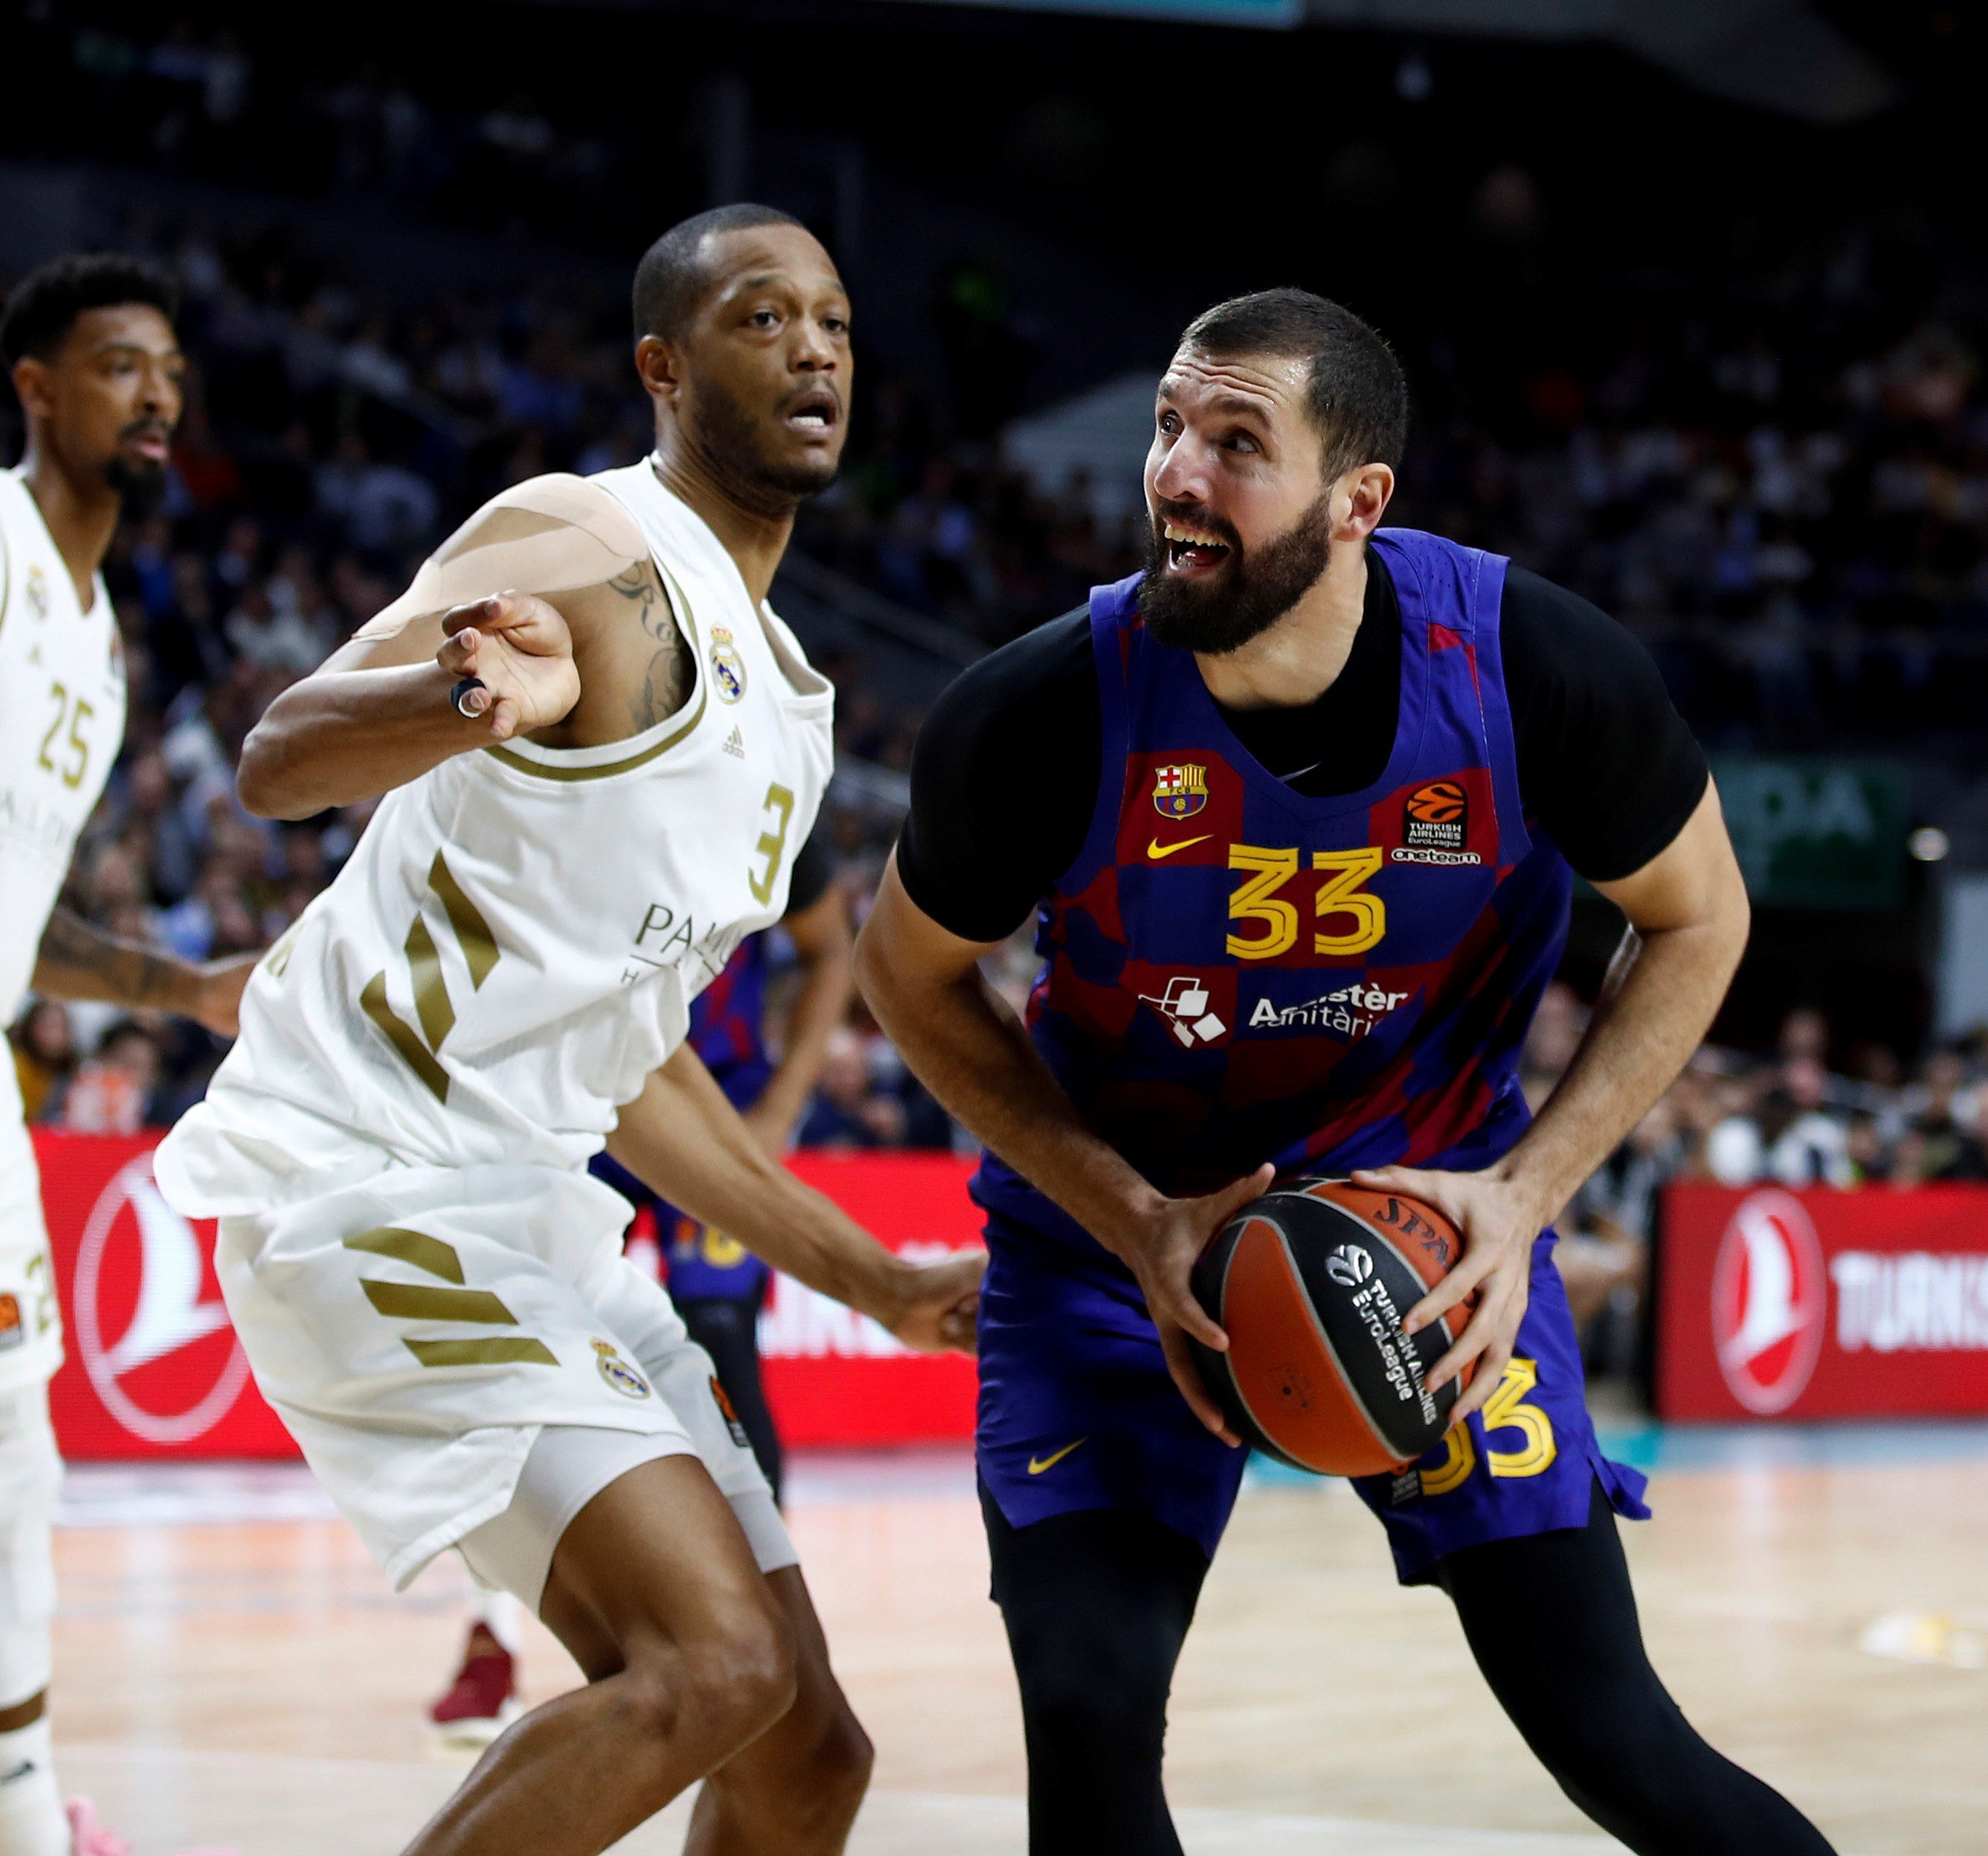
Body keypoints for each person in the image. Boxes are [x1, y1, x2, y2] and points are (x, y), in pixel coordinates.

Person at [856, 290, 1836, 1856]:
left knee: (1615, 1740)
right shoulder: (1041, 707)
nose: (1176, 471)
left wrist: (1526, 1197)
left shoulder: (1532, 667)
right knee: (1091, 1716)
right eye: (1169, 427)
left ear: (1356, 501)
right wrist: (1127, 1216)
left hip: (1434, 1246)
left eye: (1235, 443)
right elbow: (901, 974)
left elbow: (1700, 913)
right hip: (1119, 1253)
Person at [152, 206, 982, 1856]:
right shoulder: (582, 545)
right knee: (708, 1662)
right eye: (762, 318)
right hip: (364, 1185)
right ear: (664, 369)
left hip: (538, 1216)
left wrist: (874, 1279)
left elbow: (632, 1060)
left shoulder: (792, 708)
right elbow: (282, 756)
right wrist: (458, 699)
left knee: (805, 1749)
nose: (814, 346)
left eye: (830, 318)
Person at [0, 253, 255, 1856]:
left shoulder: (94, 649)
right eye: (116, 366)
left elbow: (22, 915)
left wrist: (182, 981)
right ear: (36, 388)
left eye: (167, 368)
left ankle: (20, 1787)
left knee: (18, 1426)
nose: (154, 395)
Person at [428, 834, 852, 1747]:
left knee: (726, 1354)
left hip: (712, 1110)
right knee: (522, 1355)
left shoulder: (773, 801)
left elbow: (832, 949)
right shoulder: (594, 772)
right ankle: (490, 1639)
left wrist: (781, 1106)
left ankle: (755, 1627)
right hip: (587, 1094)